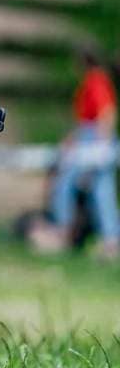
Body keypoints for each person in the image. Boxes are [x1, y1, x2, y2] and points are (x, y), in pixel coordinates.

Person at [30, 47, 119, 259]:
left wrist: (101, 145)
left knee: (65, 183)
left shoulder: (95, 80)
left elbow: (106, 113)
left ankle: (62, 230)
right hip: (90, 136)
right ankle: (111, 239)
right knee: (101, 190)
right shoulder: (97, 80)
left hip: (95, 139)